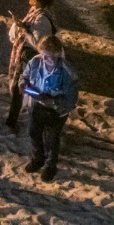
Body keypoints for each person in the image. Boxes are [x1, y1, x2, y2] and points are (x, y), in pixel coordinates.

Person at [19, 36, 79, 184]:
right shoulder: (35, 61)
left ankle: (51, 166)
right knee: (33, 132)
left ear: (58, 55)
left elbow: (71, 101)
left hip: (56, 112)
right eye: (43, 55)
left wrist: (53, 101)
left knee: (52, 139)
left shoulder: (68, 73)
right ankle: (38, 159)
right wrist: (23, 85)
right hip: (37, 106)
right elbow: (24, 77)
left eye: (49, 57)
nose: (45, 59)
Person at [5, 0, 58, 131]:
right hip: (27, 57)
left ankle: (12, 121)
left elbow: (37, 43)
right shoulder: (35, 13)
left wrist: (24, 29)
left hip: (31, 58)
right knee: (22, 88)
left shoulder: (42, 20)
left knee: (20, 89)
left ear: (38, 0)